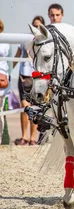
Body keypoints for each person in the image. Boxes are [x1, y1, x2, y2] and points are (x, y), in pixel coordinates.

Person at [13, 16, 42, 145]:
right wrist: (9, 71)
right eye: (34, 25)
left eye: (39, 26)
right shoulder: (25, 39)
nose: (36, 28)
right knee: (25, 107)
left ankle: (32, 138)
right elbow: (17, 56)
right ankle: (24, 137)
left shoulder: (44, 40)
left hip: (36, 77)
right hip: (23, 75)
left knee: (35, 108)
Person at [0, 19, 10, 145]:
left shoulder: (6, 41)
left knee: (1, 111)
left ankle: (1, 138)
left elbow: (8, 63)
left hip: (2, 76)